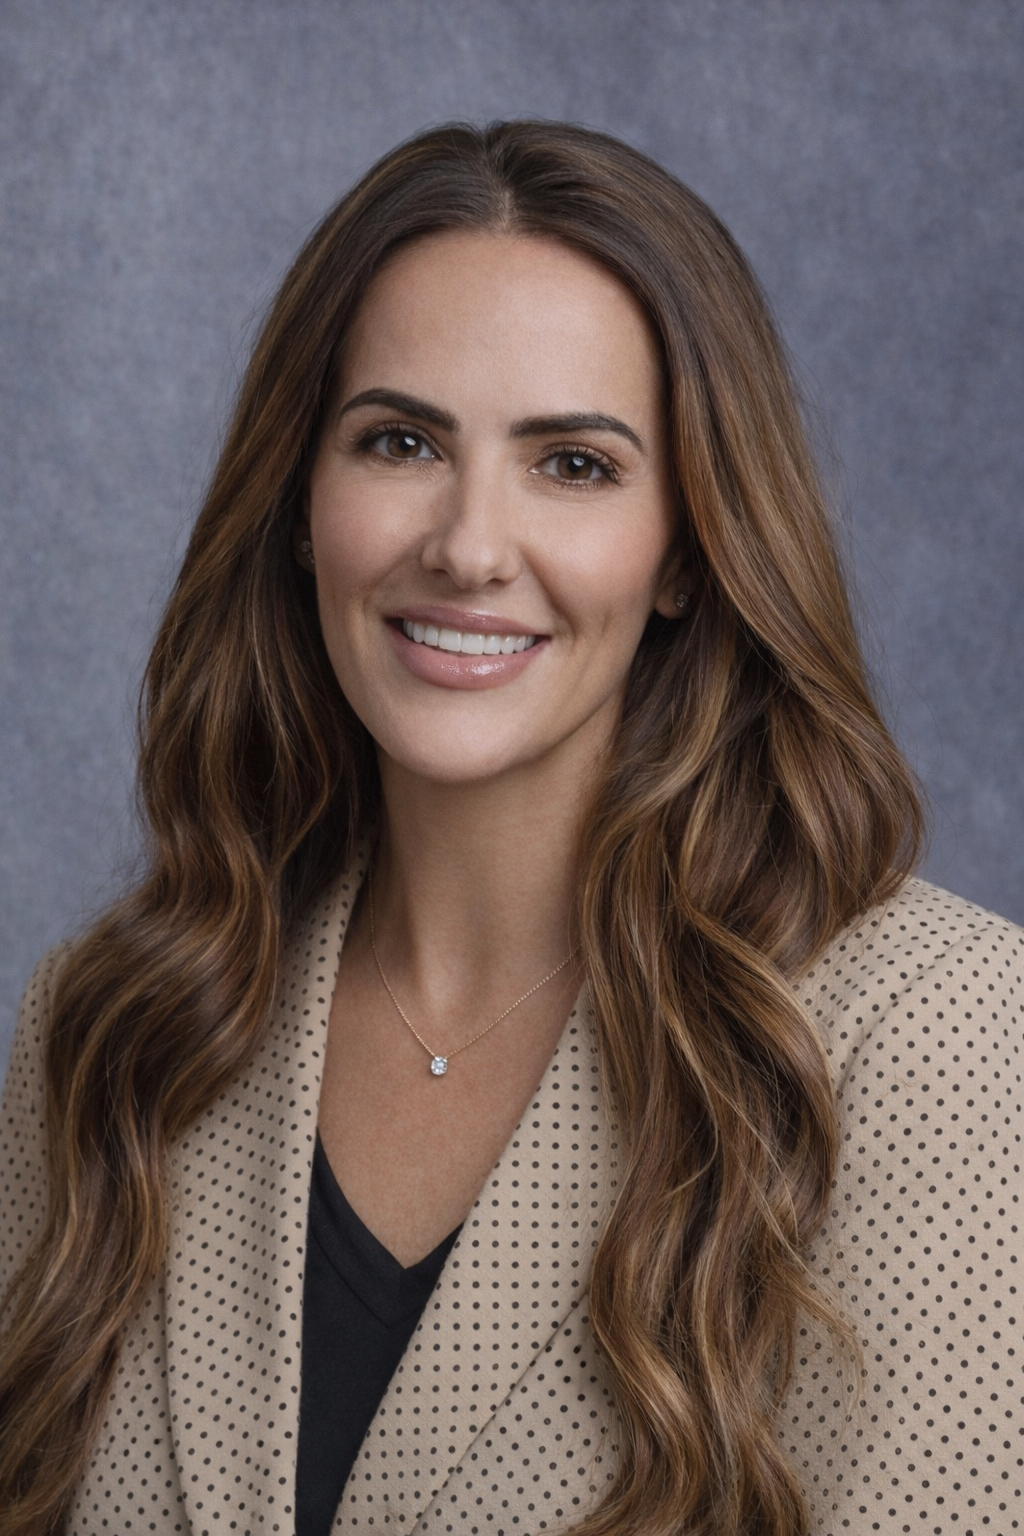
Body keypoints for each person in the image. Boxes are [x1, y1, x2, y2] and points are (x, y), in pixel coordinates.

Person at [0, 120, 1019, 1536]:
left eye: (574, 465)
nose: (469, 546)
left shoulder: (941, 1036)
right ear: (300, 506)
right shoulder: (114, 1026)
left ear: (686, 551)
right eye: (400, 442)